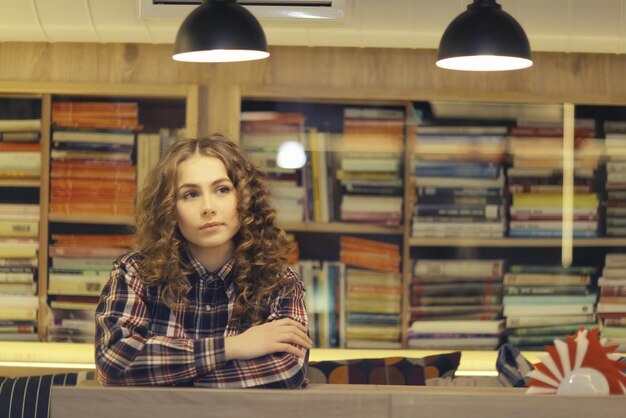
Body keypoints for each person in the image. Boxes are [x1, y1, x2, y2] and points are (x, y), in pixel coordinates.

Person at [95, 134, 312, 388]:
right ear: (169, 209)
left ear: (244, 198)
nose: (208, 207)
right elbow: (114, 362)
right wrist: (233, 347)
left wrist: (172, 379)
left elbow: (286, 369)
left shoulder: (280, 281)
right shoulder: (134, 272)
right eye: (190, 194)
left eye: (222, 190)